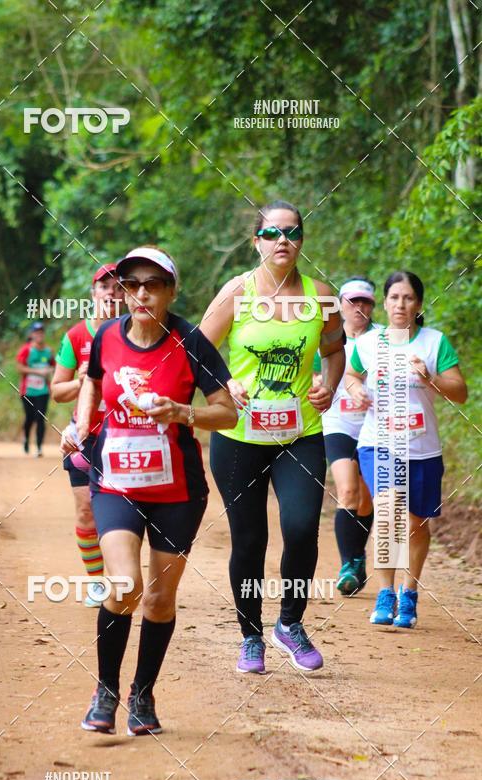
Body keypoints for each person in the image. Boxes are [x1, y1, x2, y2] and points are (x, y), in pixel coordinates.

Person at [77, 246, 237, 735]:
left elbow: (227, 412)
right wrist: (81, 422)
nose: (141, 293)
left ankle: (142, 695)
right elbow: (93, 380)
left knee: (159, 600)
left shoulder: (190, 341)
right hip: (116, 484)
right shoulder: (106, 335)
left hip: (178, 492)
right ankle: (105, 691)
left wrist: (181, 412)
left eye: (152, 284)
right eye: (132, 285)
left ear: (171, 291)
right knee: (124, 586)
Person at [200, 200, 345, 675]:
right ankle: (250, 636)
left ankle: (290, 624)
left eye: (291, 231)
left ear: (302, 239)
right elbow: (197, 351)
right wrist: (227, 384)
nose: (282, 240)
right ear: (256, 242)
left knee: (302, 527)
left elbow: (333, 350)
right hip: (239, 436)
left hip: (301, 432)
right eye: (271, 233)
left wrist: (329, 383)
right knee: (250, 538)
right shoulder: (237, 292)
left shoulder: (321, 295)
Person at [345, 271, 468, 628]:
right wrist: (355, 390)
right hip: (378, 442)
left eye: (408, 298)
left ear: (418, 304)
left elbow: (460, 393)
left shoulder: (434, 342)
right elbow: (352, 376)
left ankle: (409, 593)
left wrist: (431, 377)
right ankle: (386, 593)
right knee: (386, 514)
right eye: (395, 297)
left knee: (415, 523)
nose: (401, 304)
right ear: (384, 303)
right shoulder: (369, 343)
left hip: (423, 448)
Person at [52, 264, 124, 607]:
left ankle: (124, 576)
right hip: (84, 437)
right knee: (85, 512)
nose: (112, 293)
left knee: (124, 514)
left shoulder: (135, 332)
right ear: (93, 293)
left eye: (118, 287)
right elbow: (57, 391)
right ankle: (97, 583)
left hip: (126, 436)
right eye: (105, 287)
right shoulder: (76, 336)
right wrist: (82, 380)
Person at [313, 277, 379, 595]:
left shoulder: (384, 341)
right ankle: (347, 565)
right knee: (348, 492)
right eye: (353, 301)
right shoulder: (325, 339)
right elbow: (311, 375)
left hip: (374, 427)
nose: (359, 308)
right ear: (339, 305)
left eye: (365, 302)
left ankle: (358, 556)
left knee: (366, 500)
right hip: (338, 424)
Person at [16, 322, 55, 457]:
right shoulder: (26, 350)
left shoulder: (48, 351)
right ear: (32, 335)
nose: (39, 335)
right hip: (28, 391)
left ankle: (39, 447)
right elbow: (20, 368)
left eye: (41, 332)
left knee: (40, 418)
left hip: (43, 391)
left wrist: (51, 371)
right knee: (29, 418)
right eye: (36, 332)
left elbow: (55, 366)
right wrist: (38, 372)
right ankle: (26, 439)